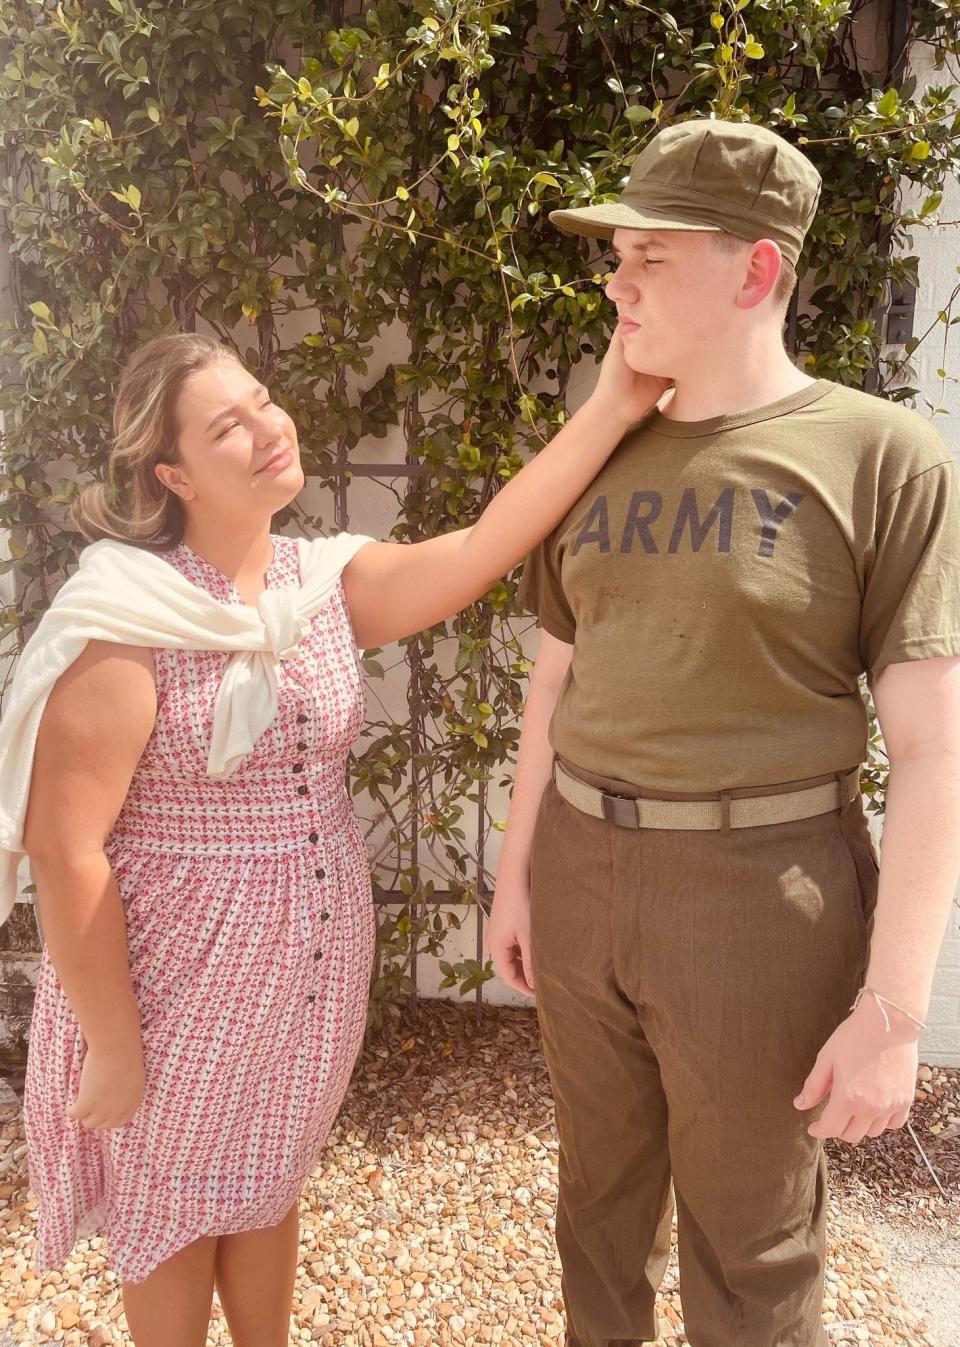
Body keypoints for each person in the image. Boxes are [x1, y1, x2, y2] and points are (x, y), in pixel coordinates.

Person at [0, 328, 668, 1346]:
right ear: (173, 473)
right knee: (171, 1208)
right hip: (174, 973)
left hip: (309, 966)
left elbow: (485, 546)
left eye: (264, 401)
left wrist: (616, 403)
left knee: (268, 1182)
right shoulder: (127, 616)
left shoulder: (322, 586)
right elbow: (66, 849)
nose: (269, 428)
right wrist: (117, 1048)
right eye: (230, 425)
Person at [487, 117, 960, 1347]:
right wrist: (518, 876)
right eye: (615, 256)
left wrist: (894, 1013)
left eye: (650, 256)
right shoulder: (600, 444)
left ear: (756, 270)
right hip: (586, 867)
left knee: (752, 1247)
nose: (615, 282)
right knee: (595, 1210)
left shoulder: (884, 458)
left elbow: (932, 752)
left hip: (763, 896)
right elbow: (554, 683)